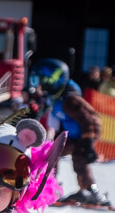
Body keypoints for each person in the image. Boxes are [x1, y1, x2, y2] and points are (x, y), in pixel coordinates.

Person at [30, 59, 110, 205]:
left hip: (87, 132)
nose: (39, 85)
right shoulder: (56, 98)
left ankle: (91, 190)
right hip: (73, 134)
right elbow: (62, 121)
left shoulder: (70, 100)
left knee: (80, 158)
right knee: (53, 153)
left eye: (42, 81)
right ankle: (51, 187)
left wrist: (88, 144)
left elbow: (88, 120)